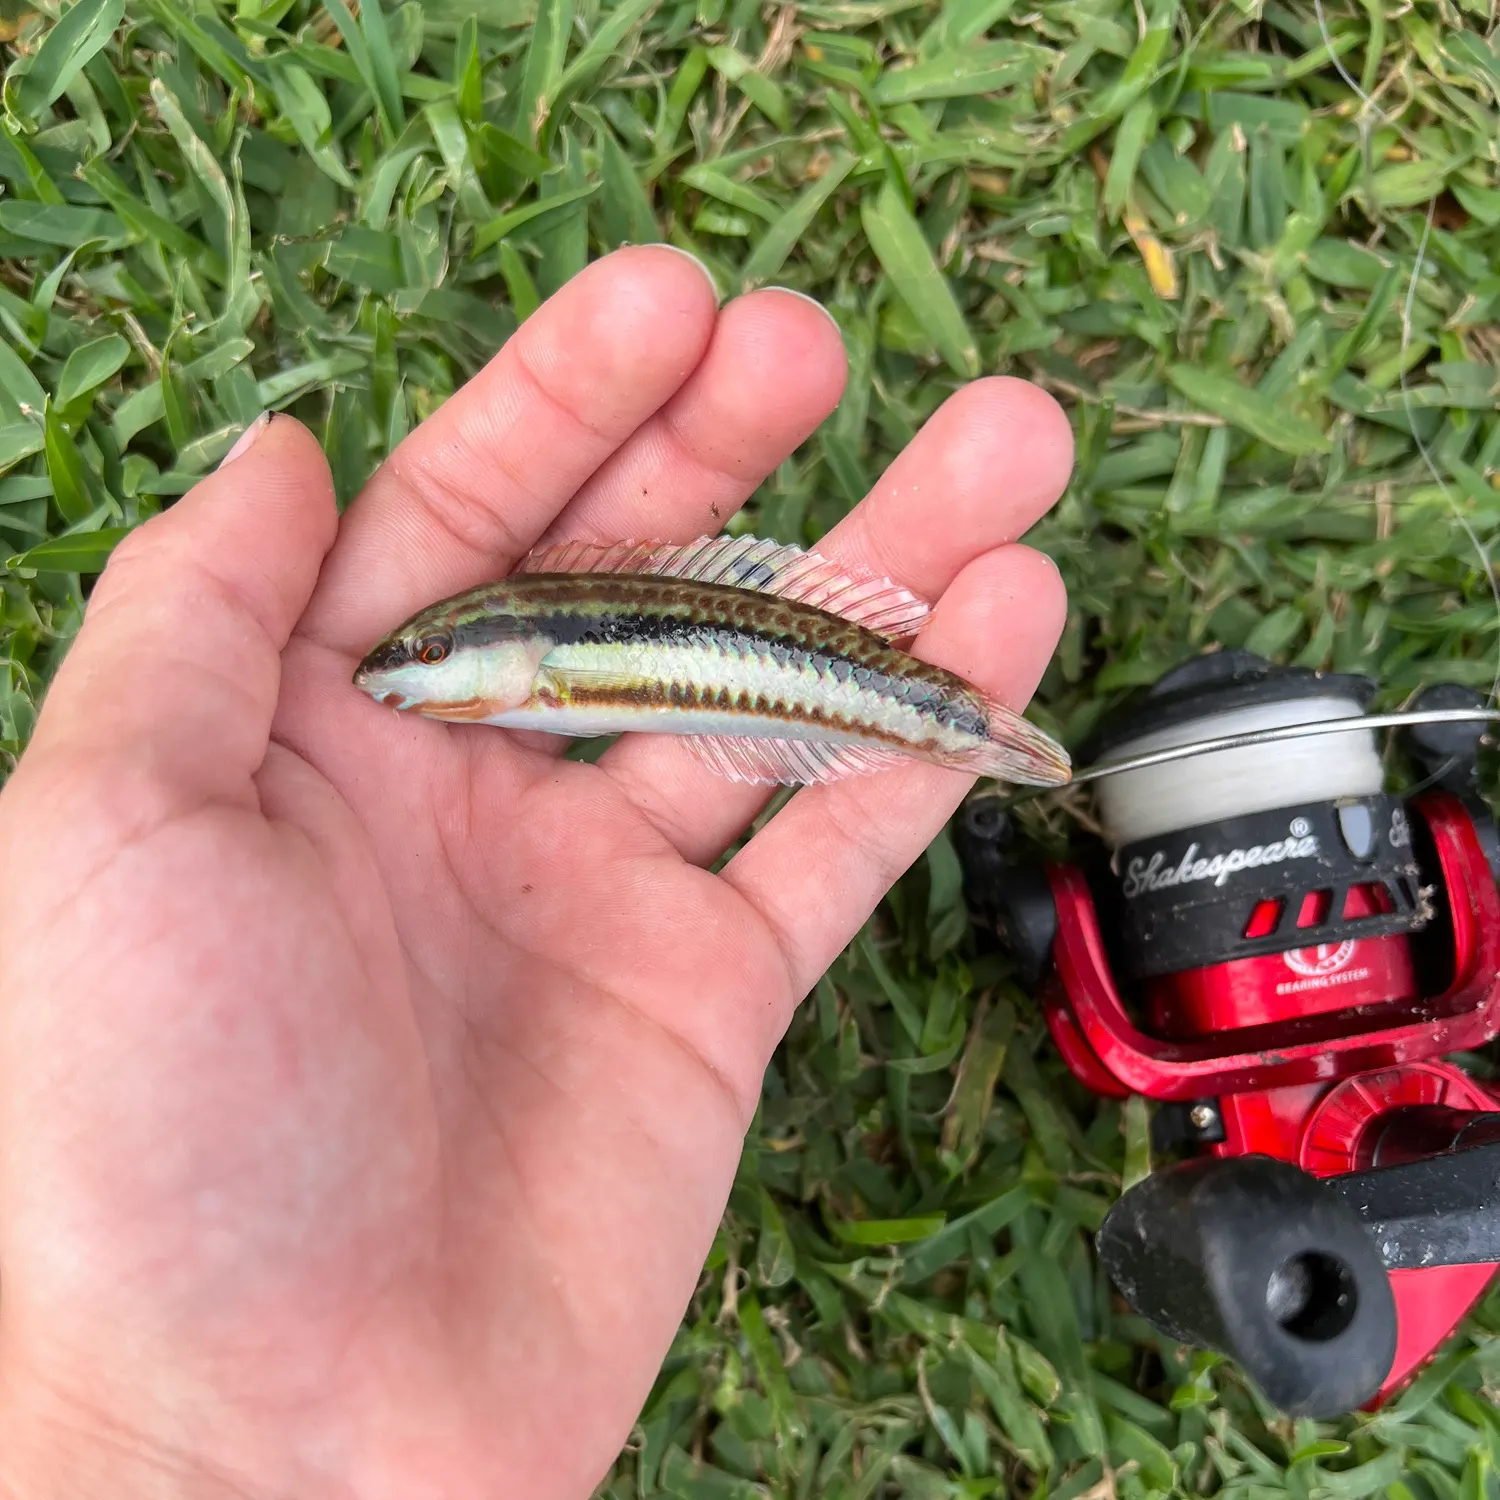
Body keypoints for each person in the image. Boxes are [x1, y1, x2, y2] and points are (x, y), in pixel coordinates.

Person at [0, 246, 1072, 1498]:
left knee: (927, 703)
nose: (400, 676)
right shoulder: (512, 678)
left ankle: (980, 732)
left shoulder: (553, 661)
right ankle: (975, 732)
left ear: (501, 650)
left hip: (763, 657)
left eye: (430, 652)